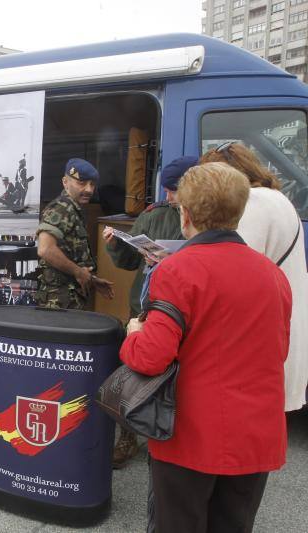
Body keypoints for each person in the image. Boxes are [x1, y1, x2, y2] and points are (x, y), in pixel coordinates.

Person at [121, 162, 291, 533]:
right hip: (256, 435)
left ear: (185, 214)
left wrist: (134, 332)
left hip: (191, 436)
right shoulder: (273, 274)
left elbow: (151, 357)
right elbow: (275, 351)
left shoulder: (177, 270)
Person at [101, 156, 195, 469]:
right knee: (138, 372)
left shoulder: (205, 216)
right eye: (166, 189)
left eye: (173, 190)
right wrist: (116, 244)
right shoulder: (154, 215)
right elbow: (128, 262)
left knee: (180, 379)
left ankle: (177, 441)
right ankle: (129, 437)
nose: (167, 196)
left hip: (183, 308)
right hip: (145, 306)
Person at [200, 142, 308, 412]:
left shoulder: (254, 202)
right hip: (279, 326)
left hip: (260, 338)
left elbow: (235, 267)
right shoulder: (277, 198)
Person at [36, 158, 114, 309]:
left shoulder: (73, 209)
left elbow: (71, 255)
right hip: (58, 301)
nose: (89, 190)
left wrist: (91, 279)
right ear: (65, 182)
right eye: (82, 183)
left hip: (69, 298)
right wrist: (78, 272)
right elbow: (45, 249)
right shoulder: (60, 208)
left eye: (92, 184)